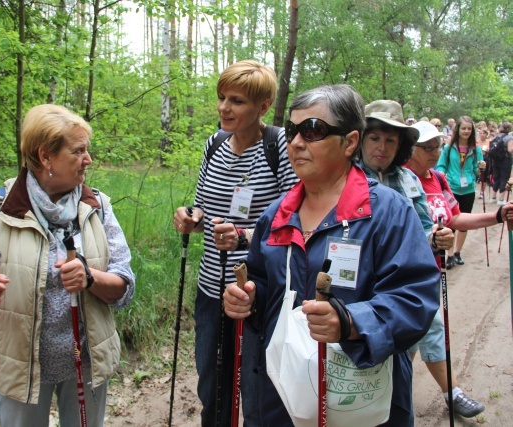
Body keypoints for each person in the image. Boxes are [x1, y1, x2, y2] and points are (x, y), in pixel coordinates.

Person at [223, 84, 440, 426]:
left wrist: (351, 323)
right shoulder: (277, 215)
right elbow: (263, 285)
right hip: (285, 398)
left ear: (350, 142)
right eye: (293, 131)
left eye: (312, 131)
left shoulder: (388, 212)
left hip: (362, 401)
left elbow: (415, 297)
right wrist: (247, 299)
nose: (295, 142)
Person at [0, 104, 135, 427]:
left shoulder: (97, 207)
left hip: (86, 363)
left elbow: (124, 284)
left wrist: (89, 278)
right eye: (78, 151)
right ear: (46, 157)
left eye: (87, 150)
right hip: (19, 367)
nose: (88, 160)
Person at [172, 60, 298, 426]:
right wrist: (190, 218)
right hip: (212, 289)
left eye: (237, 101)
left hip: (257, 293)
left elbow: (295, 225)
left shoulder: (280, 150)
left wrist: (243, 236)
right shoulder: (214, 145)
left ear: (263, 106)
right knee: (213, 389)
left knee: (258, 394)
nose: (225, 107)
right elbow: (203, 210)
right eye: (222, 98)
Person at [406, 121, 513, 418]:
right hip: (404, 275)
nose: (433, 152)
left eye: (436, 146)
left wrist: (496, 216)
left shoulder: (438, 179)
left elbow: (455, 219)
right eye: (425, 147)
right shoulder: (397, 180)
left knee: (419, 334)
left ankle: (408, 393)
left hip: (431, 272)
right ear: (409, 148)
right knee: (423, 330)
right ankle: (448, 393)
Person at [356, 99, 437, 248]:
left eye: (390, 141)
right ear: (360, 140)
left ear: (400, 144)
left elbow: (424, 228)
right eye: (374, 138)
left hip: (401, 266)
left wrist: (436, 239)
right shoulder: (344, 177)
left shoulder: (409, 179)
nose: (382, 147)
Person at [436, 116, 486, 269]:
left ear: (472, 131)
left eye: (469, 129)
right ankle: (450, 254)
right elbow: (441, 166)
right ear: (458, 129)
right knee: (450, 222)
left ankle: (457, 252)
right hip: (451, 189)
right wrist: (442, 175)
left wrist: (481, 168)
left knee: (464, 223)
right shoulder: (448, 148)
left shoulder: (476, 149)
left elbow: (478, 172)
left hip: (469, 189)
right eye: (463, 128)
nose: (466, 131)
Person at [489, 122, 513, 205]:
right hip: (506, 160)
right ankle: (501, 199)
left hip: (495, 160)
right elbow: (510, 150)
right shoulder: (510, 138)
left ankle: (493, 197)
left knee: (496, 177)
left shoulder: (496, 136)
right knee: (504, 178)